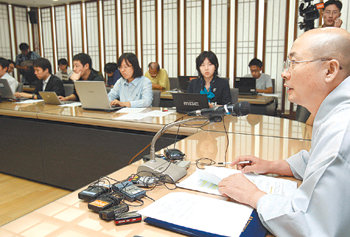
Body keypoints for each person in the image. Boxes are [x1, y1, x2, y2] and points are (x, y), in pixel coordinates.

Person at [218, 28, 350, 236]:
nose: (284, 73)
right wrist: (270, 165)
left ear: (330, 70)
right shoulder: (335, 113)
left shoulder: (342, 129)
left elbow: (310, 225)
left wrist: (253, 195)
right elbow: (316, 161)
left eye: (294, 63)